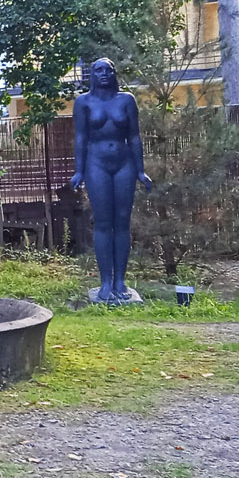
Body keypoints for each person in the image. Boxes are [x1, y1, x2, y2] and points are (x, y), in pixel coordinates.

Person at [67, 58, 153, 303]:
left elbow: (135, 137)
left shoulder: (126, 100)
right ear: (92, 75)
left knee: (122, 223)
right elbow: (81, 138)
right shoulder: (83, 102)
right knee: (104, 222)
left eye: (108, 70)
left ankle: (120, 281)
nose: (103, 74)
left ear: (114, 74)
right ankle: (105, 281)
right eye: (98, 70)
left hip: (124, 164)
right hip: (97, 164)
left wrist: (140, 170)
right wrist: (79, 171)